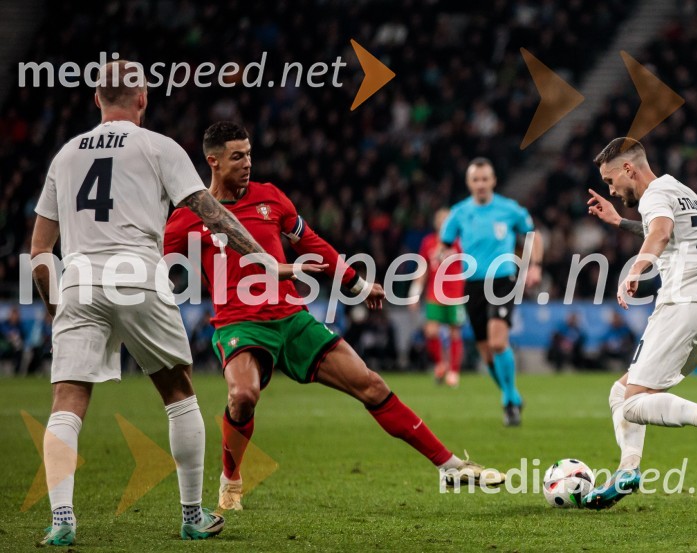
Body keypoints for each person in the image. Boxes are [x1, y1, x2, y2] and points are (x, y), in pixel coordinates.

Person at [29, 61, 320, 545]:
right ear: (142, 98)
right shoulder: (159, 147)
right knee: (178, 393)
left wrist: (55, 306)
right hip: (139, 277)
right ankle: (191, 515)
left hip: (79, 282)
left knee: (67, 401)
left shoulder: (66, 155)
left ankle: (62, 519)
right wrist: (266, 261)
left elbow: (40, 250)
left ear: (97, 99)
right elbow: (215, 214)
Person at [164, 122, 504, 512]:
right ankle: (231, 479)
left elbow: (310, 242)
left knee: (371, 385)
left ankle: (450, 465)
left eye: (249, 154)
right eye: (237, 157)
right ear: (213, 161)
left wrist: (356, 283)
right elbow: (153, 260)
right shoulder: (189, 216)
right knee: (242, 396)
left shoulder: (270, 197)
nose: (247, 163)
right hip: (239, 324)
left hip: (292, 318)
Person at [582, 137, 697, 509]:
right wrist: (619, 221)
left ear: (629, 169)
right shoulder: (681, 191)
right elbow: (664, 230)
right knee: (621, 393)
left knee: (631, 405)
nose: (611, 189)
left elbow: (660, 233)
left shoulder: (654, 194)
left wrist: (635, 269)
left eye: (610, 180)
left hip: (680, 307)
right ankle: (627, 470)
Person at [439, 158, 542, 426]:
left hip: (502, 279)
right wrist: (443, 255)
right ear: (469, 183)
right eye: (476, 179)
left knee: (498, 343)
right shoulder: (459, 213)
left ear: (493, 181)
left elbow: (534, 235)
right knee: (486, 353)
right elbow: (444, 245)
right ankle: (513, 395)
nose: (481, 184)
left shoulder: (509, 209)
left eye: (485, 179)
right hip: (472, 284)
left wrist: (535, 265)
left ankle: (509, 402)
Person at [409, 208, 466, 387]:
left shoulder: (459, 242)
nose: (443, 223)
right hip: (434, 293)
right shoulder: (428, 242)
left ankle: (454, 371)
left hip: (455, 294)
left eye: (447, 220)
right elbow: (423, 268)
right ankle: (441, 364)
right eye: (440, 220)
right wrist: (414, 292)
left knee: (454, 332)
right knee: (431, 331)